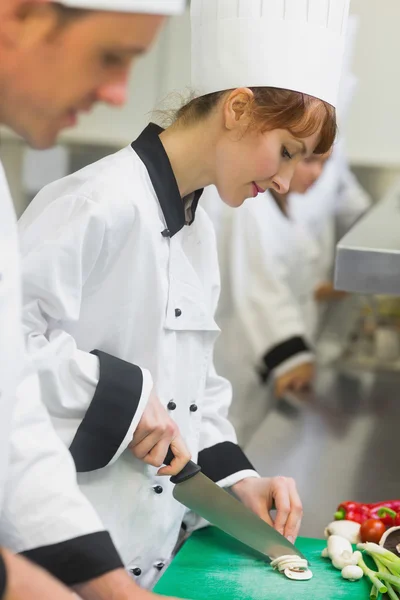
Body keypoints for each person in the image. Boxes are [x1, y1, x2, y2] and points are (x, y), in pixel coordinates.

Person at [18, 0, 350, 590]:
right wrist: (121, 397)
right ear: (238, 107)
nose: (283, 181)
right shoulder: (97, 203)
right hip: (61, 561)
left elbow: (197, 388)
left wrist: (239, 480)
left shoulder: (198, 226)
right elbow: (8, 349)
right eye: (287, 152)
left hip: (153, 553)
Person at [0, 1, 187, 599]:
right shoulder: (95, 199)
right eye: (110, 57)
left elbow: (12, 424)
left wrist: (110, 589)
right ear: (19, 14)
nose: (117, 95)